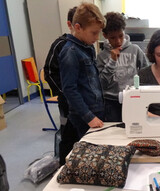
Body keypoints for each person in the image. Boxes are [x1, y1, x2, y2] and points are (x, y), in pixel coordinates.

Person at [59, 2, 105, 150]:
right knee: (89, 152)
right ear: (77, 27)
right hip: (84, 115)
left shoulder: (88, 47)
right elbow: (69, 89)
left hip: (96, 108)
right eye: (93, 33)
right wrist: (88, 116)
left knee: (98, 148)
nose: (97, 37)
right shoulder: (70, 52)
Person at [97, 12, 149, 122]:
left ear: (124, 31)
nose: (118, 41)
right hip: (111, 102)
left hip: (133, 99)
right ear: (105, 36)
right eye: (113, 38)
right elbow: (102, 84)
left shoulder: (135, 50)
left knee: (135, 127)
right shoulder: (101, 56)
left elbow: (146, 73)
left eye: (121, 36)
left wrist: (140, 91)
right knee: (114, 132)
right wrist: (112, 62)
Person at [43, 6, 77, 165]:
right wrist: (65, 92)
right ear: (70, 24)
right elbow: (49, 72)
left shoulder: (87, 46)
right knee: (67, 134)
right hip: (66, 101)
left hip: (82, 101)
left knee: (82, 135)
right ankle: (63, 167)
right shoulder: (60, 44)